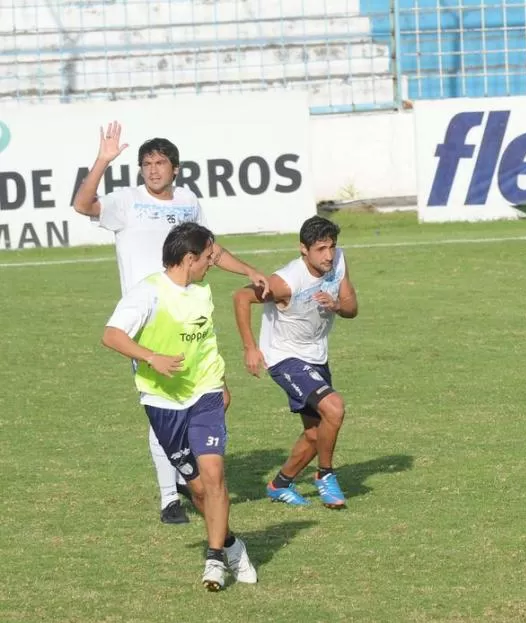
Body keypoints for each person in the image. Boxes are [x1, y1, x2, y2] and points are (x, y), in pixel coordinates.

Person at [73, 121, 269, 524]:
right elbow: (82, 204)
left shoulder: (189, 202)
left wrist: (248, 270)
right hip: (150, 321)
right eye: (146, 163)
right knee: (163, 402)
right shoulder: (125, 201)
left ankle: (184, 470)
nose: (153, 169)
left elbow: (210, 250)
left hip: (191, 313)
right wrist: (103, 160)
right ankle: (169, 497)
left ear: (175, 168)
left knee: (216, 397)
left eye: (160, 162)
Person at [101, 222, 257, 591]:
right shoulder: (148, 294)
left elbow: (206, 345)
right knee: (200, 491)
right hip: (163, 404)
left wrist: (221, 384)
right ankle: (233, 545)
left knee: (215, 477)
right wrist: (151, 356)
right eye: (207, 258)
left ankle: (214, 558)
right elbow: (111, 335)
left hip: (204, 396)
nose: (211, 264)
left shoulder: (201, 292)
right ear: (189, 258)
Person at [232, 216, 358, 508]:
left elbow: (352, 308)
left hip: (317, 355)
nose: (328, 255)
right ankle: (325, 475)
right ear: (304, 249)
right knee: (334, 408)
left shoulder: (338, 261)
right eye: (320, 248)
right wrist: (250, 348)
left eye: (332, 246)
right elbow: (241, 296)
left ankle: (280, 484)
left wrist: (337, 305)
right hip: (285, 356)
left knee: (316, 435)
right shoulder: (287, 281)